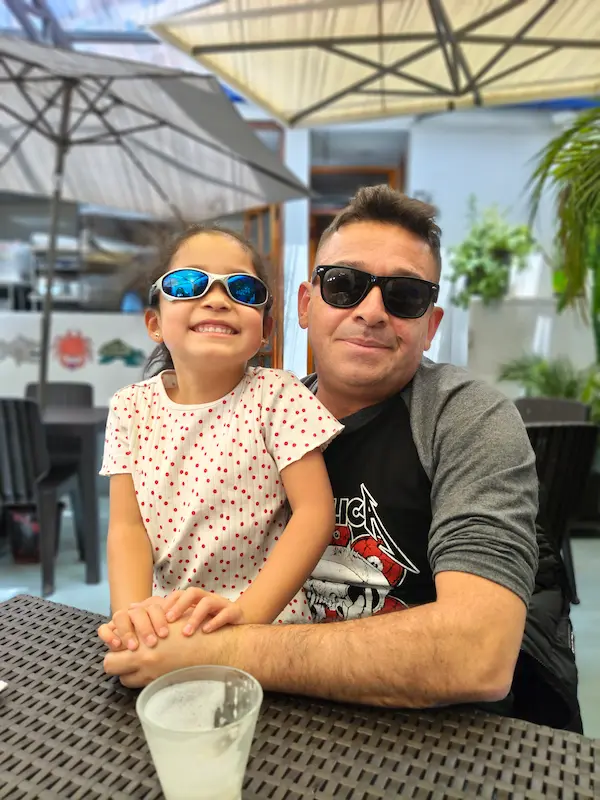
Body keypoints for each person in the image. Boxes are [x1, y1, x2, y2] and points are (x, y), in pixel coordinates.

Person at [102, 187, 581, 733]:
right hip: (270, 710)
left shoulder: (462, 417)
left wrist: (221, 650)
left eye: (404, 295)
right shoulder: (247, 413)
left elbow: (478, 654)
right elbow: (137, 527)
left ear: (431, 324)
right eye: (344, 285)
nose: (371, 311)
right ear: (306, 305)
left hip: (433, 733)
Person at [98, 224, 342, 648]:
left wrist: (248, 616)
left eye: (243, 290)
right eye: (187, 284)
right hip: (170, 626)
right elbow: (126, 528)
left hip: (267, 626)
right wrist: (131, 617)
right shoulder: (130, 408)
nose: (216, 299)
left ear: (264, 331)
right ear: (155, 323)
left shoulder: (278, 395)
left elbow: (314, 513)